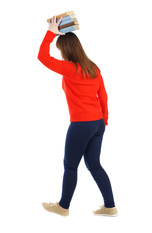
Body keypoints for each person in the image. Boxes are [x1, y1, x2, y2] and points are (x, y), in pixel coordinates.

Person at [37, 15, 118, 217]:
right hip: (98, 123)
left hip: (81, 125)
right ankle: (110, 206)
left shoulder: (69, 69)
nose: (60, 55)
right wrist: (103, 122)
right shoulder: (93, 67)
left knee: (71, 165)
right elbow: (103, 97)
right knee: (94, 164)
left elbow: (42, 57)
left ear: (65, 50)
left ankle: (63, 207)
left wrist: (50, 33)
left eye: (61, 51)